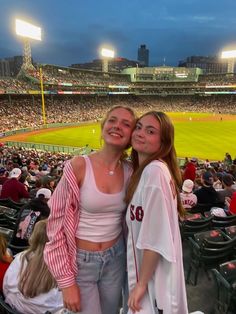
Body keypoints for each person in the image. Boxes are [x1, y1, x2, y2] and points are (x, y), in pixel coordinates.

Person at [44, 106, 136, 314]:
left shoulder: (131, 172)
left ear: (132, 135)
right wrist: (67, 283)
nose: (117, 127)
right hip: (81, 261)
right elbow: (55, 227)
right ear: (103, 127)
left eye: (126, 124)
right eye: (112, 120)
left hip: (116, 257)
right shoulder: (78, 166)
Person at [125, 111, 188, 313]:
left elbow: (154, 239)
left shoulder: (154, 171)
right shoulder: (151, 170)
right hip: (155, 273)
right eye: (139, 127)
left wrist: (141, 284)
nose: (140, 133)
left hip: (154, 279)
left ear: (163, 142)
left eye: (150, 131)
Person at [3, 220, 63, 314]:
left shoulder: (21, 257)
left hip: (11, 309)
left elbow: (6, 287)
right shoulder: (65, 269)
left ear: (34, 237)